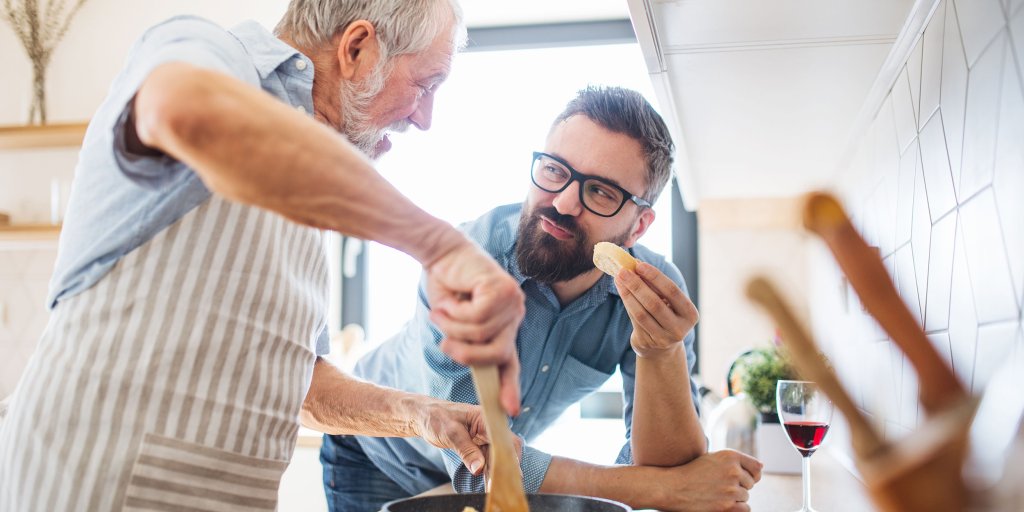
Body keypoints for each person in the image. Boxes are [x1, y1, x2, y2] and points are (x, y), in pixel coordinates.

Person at [0, 1, 527, 511]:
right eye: (425, 86)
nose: (425, 118)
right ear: (357, 47)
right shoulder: (212, 54)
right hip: (90, 481)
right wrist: (438, 246)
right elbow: (184, 110)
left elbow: (301, 386)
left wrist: (421, 414)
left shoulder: (306, 181)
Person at [322, 86, 764, 512]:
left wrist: (661, 352)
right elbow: (477, 464)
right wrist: (660, 490)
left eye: (600, 192)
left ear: (639, 227)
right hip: (378, 455)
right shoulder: (465, 264)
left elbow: (677, 472)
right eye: (555, 170)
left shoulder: (653, 293)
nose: (565, 202)